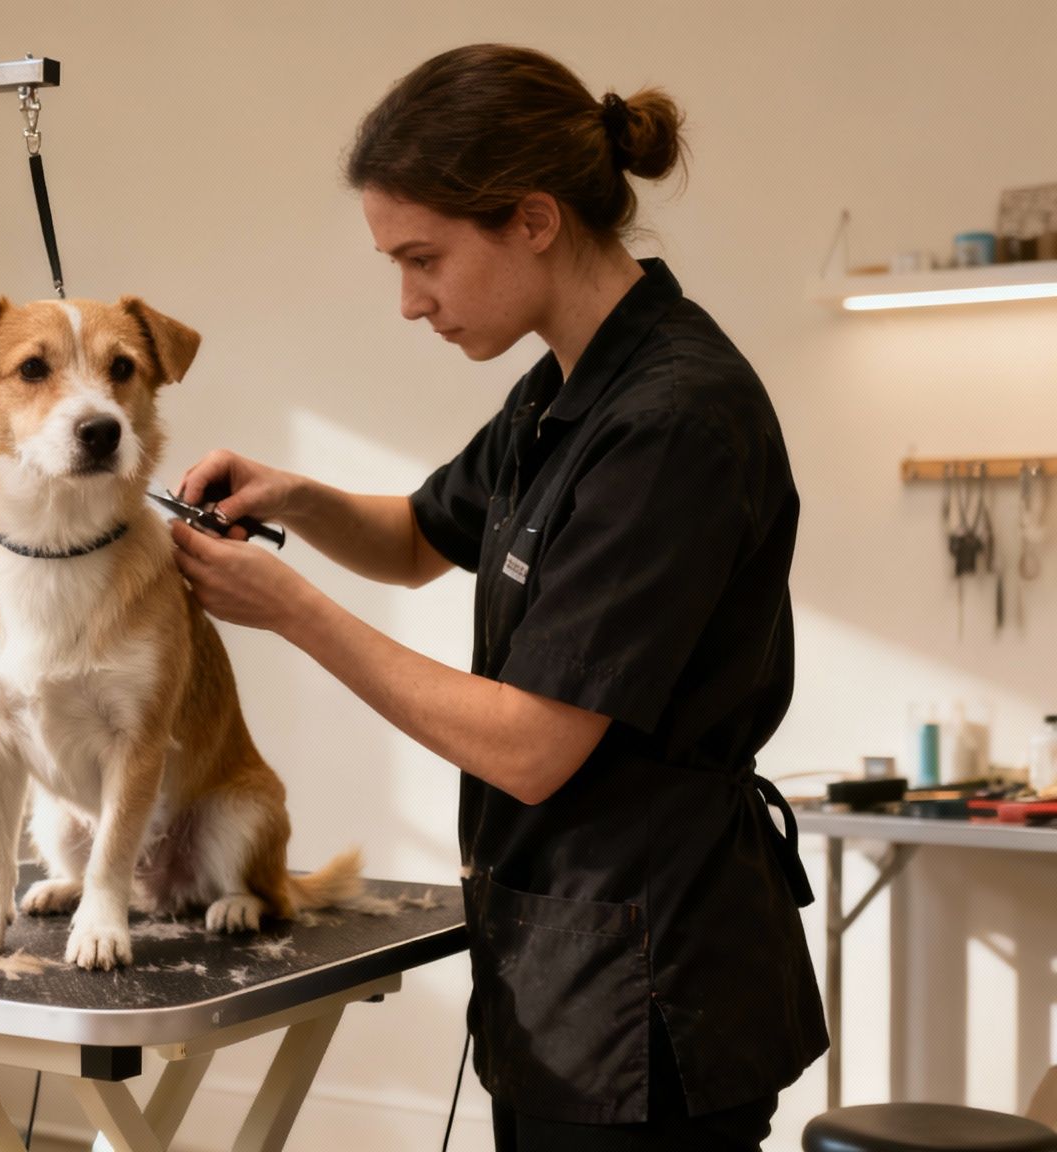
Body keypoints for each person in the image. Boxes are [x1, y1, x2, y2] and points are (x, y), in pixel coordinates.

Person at [167, 44, 826, 1151]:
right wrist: (295, 495)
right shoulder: (562, 384)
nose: (407, 301)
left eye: (422, 258)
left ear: (531, 219)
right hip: (562, 960)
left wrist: (287, 609)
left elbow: (529, 748)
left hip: (650, 981)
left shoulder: (667, 423)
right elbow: (422, 538)